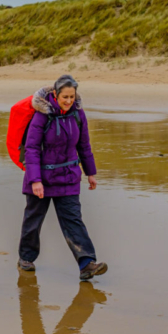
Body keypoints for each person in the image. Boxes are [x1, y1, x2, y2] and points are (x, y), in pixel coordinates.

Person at [18, 75, 108, 280]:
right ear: (55, 95)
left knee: (73, 220)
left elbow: (84, 145)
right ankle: (26, 258)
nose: (69, 101)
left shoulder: (78, 114)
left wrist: (90, 172)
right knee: (33, 220)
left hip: (68, 176)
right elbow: (31, 149)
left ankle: (86, 263)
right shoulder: (41, 115)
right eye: (65, 97)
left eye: (72, 97)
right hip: (42, 178)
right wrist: (35, 180)